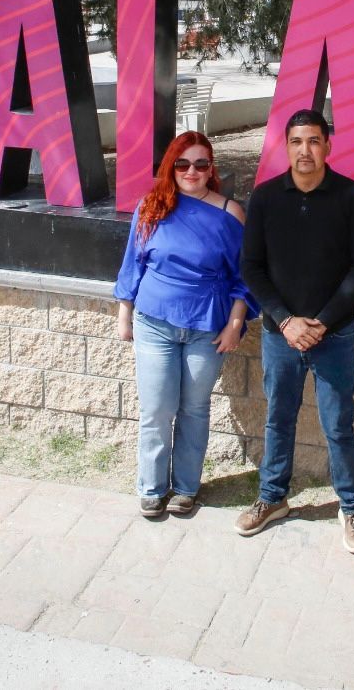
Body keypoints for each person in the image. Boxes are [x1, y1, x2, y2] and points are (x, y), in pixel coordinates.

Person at [235, 109, 354, 554]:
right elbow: (251, 267)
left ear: (327, 146)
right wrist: (285, 320)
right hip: (281, 334)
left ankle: (353, 507)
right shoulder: (265, 198)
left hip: (334, 335)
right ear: (286, 146)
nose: (305, 151)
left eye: (314, 141)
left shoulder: (351, 196)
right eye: (297, 141)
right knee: (278, 418)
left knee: (338, 425)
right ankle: (272, 498)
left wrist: (323, 321)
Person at [114, 131, 257, 519]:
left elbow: (243, 276)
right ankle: (151, 488)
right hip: (154, 322)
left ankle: (186, 488)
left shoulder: (230, 213)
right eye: (182, 163)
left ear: (211, 169)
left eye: (200, 164)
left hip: (207, 326)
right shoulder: (152, 206)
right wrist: (124, 314)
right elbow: (133, 263)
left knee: (194, 408)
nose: (191, 171)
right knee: (157, 408)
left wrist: (235, 324)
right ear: (170, 166)